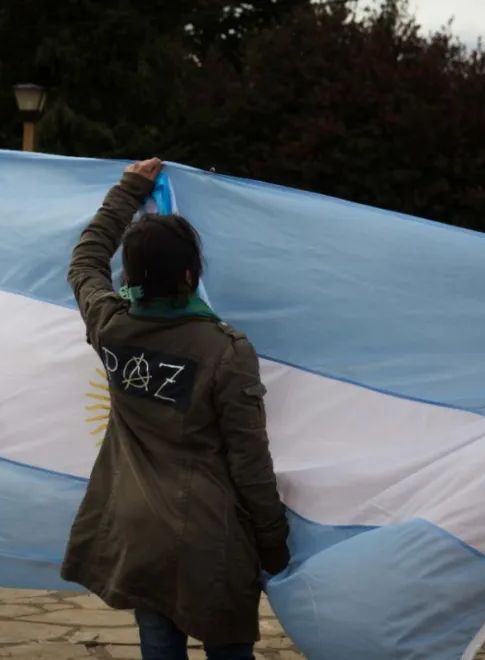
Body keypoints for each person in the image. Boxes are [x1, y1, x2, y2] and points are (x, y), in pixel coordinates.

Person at [60, 158, 291, 660]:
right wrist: (275, 543)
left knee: (159, 646)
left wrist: (128, 191)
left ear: (131, 276)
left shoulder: (111, 327)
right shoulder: (225, 350)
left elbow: (84, 261)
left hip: (139, 532)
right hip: (212, 541)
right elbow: (250, 461)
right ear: (190, 274)